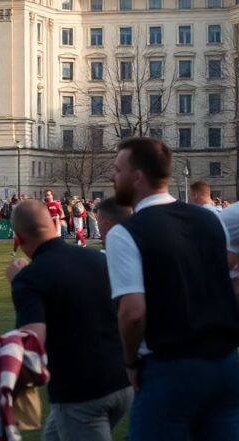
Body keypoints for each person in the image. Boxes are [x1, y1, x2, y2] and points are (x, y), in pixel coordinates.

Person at [106, 137, 239, 440]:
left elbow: (133, 312)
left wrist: (129, 362)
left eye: (117, 169)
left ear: (137, 177)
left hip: (171, 368)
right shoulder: (210, 221)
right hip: (226, 364)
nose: (112, 176)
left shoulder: (126, 233)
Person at [7, 200, 132, 441]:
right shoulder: (96, 259)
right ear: (54, 226)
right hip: (121, 380)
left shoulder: (30, 278)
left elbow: (32, 341)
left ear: (20, 238)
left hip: (81, 391)